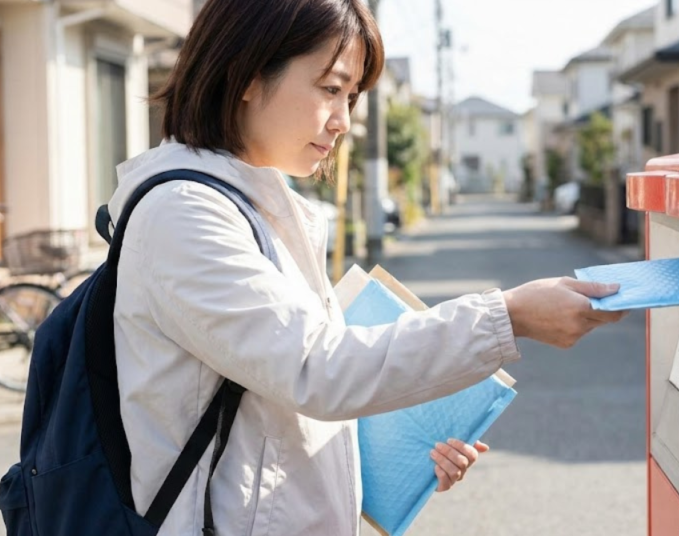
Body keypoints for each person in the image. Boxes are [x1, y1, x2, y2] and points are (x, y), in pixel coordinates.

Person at [108, 0, 626, 534]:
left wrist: (396, 450)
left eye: (351, 97)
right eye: (330, 89)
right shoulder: (184, 214)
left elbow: (276, 409)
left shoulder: (250, 205)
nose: (344, 121)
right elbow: (318, 371)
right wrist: (507, 316)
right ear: (248, 71)